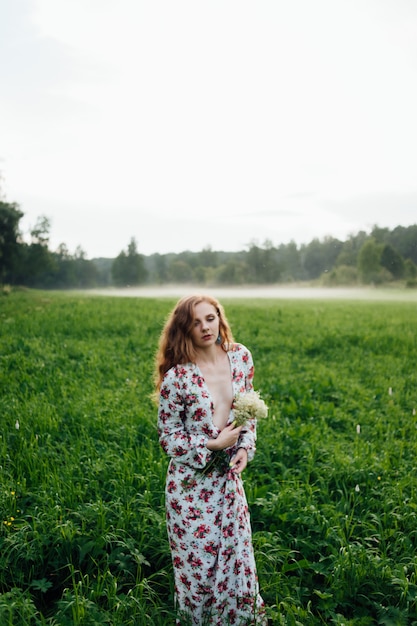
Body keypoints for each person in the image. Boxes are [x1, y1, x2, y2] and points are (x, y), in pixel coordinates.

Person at [154, 294, 266, 625]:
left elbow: (248, 410)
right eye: (195, 322)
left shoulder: (241, 358)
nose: (205, 327)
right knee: (197, 570)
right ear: (183, 330)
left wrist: (244, 446)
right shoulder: (178, 377)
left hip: (228, 483)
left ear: (220, 318)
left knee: (236, 560)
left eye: (210, 318)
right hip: (190, 488)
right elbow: (168, 437)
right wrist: (213, 444)